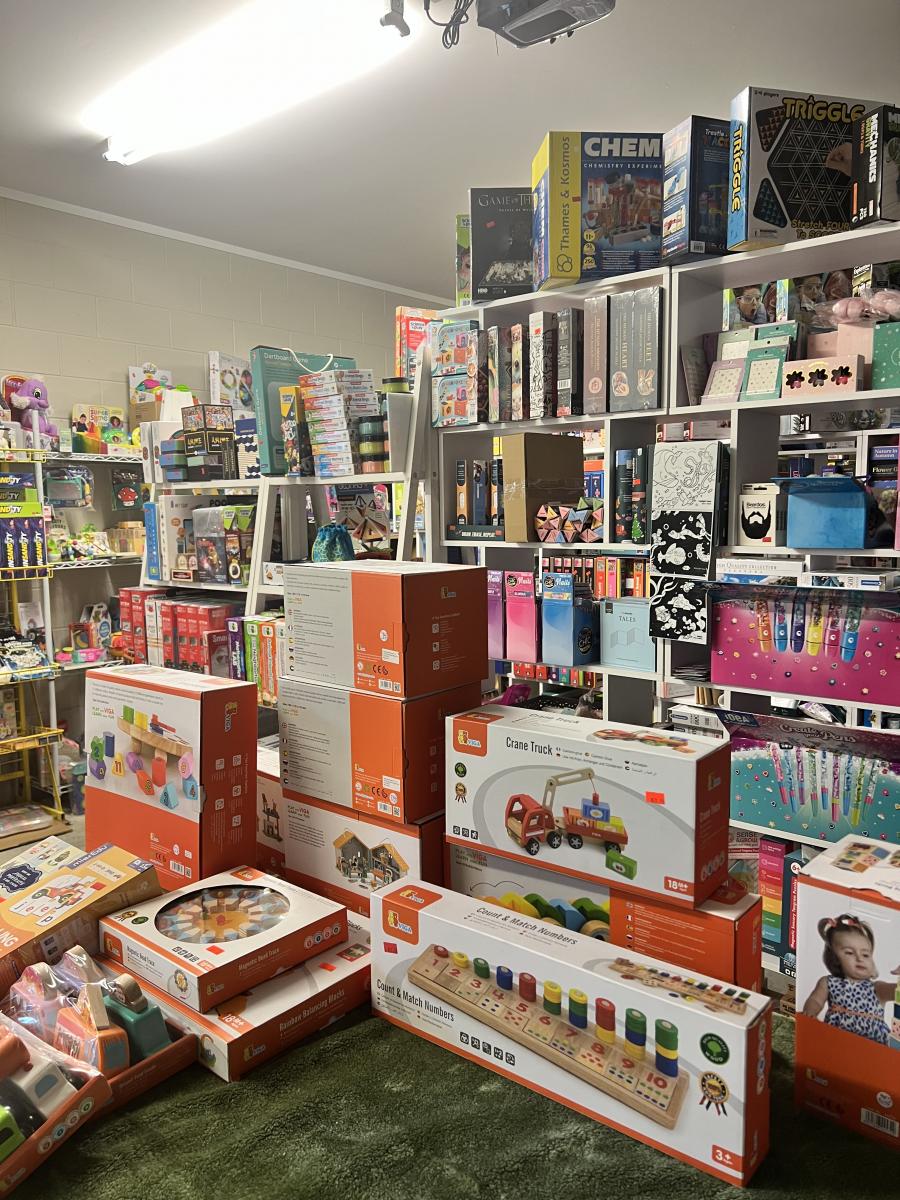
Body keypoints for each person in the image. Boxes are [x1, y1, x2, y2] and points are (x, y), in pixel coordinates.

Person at [801, 913, 897, 1045]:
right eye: (849, 953)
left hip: (872, 1047)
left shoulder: (877, 988)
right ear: (835, 958)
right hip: (836, 1041)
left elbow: (896, 991)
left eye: (865, 954)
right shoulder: (828, 982)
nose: (859, 958)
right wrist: (810, 1012)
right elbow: (815, 1000)